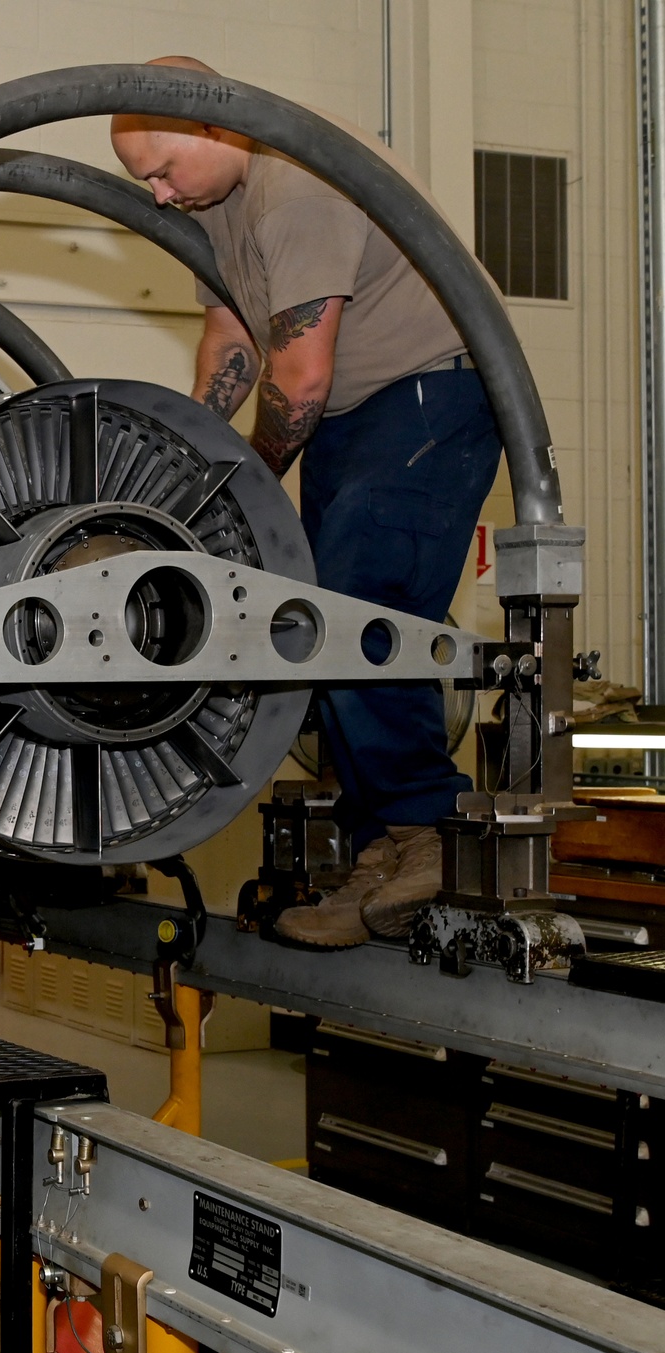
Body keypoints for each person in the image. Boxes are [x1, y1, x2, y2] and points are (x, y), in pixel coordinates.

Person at [111, 59, 502, 949]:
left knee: (360, 603)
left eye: (164, 172)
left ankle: (432, 830)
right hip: (356, 415)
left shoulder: (297, 180)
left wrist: (236, 490)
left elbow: (302, 372)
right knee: (311, 613)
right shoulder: (219, 206)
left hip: (428, 393)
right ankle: (381, 849)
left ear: (214, 127)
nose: (161, 197)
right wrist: (194, 479)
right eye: (147, 186)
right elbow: (230, 338)